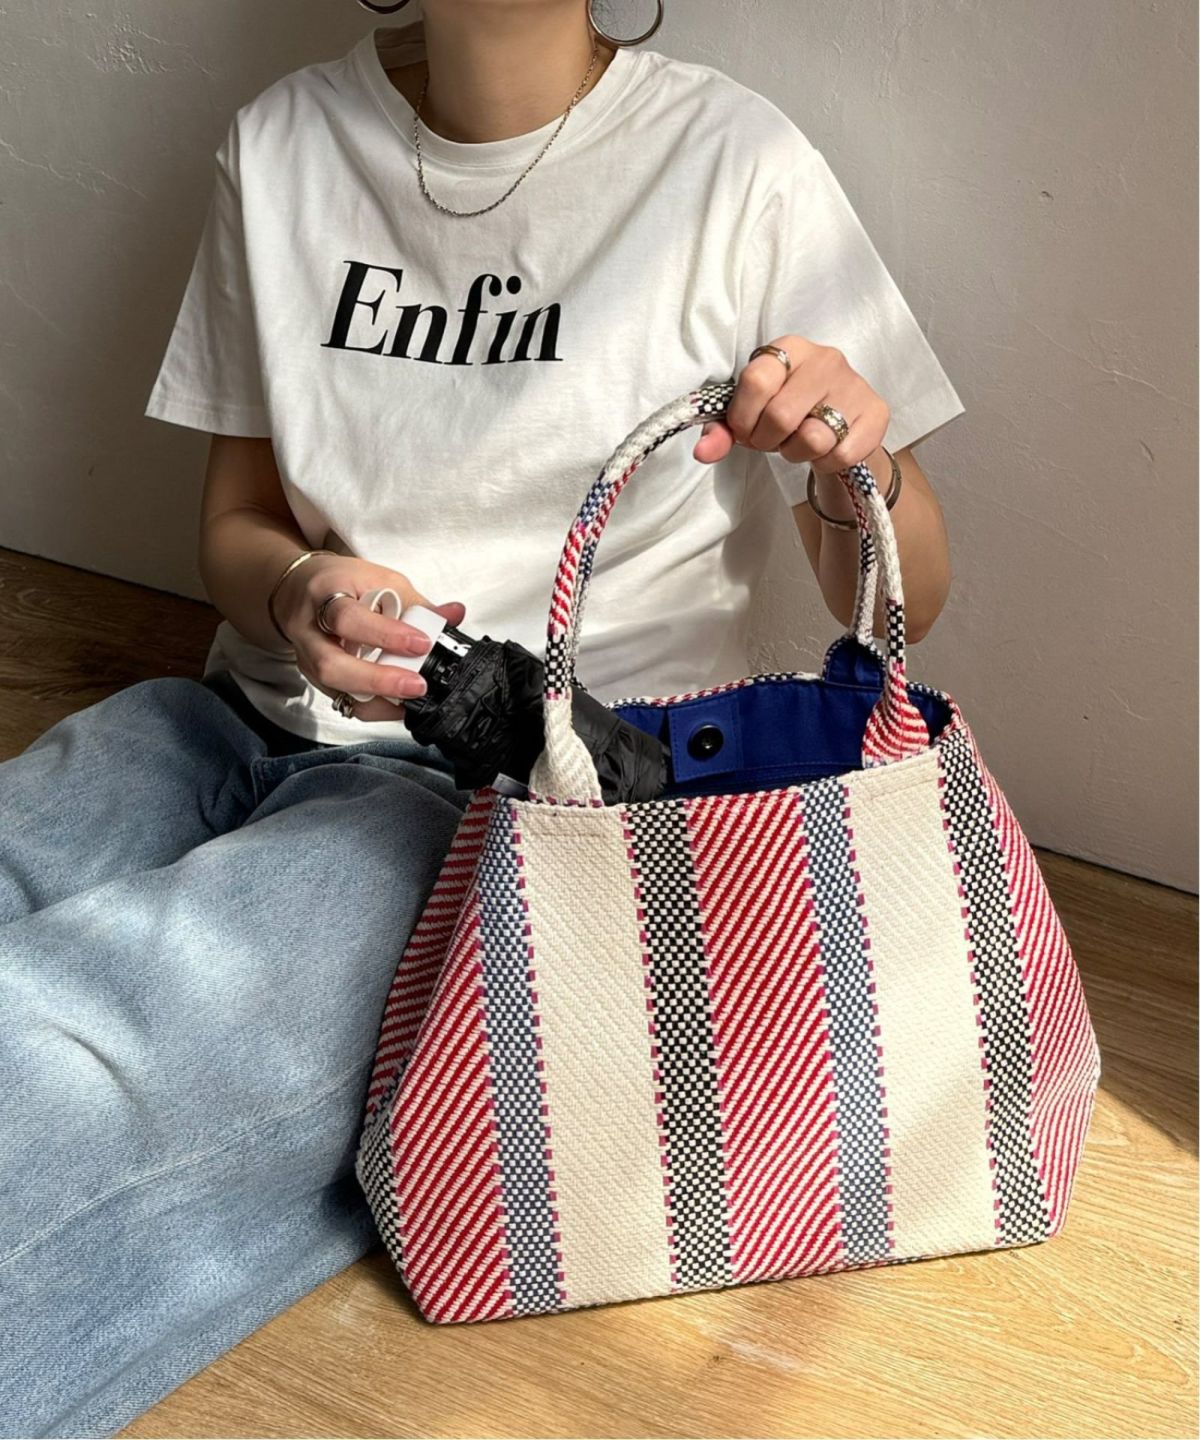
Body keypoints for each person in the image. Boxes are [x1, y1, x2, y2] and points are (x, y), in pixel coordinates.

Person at [0, 0, 965, 1433]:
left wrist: (844, 467)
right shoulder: (280, 144)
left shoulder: (733, 163)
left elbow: (907, 597)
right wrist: (301, 588)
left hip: (505, 812)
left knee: (73, 1047)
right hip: (224, 719)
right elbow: (237, 523)